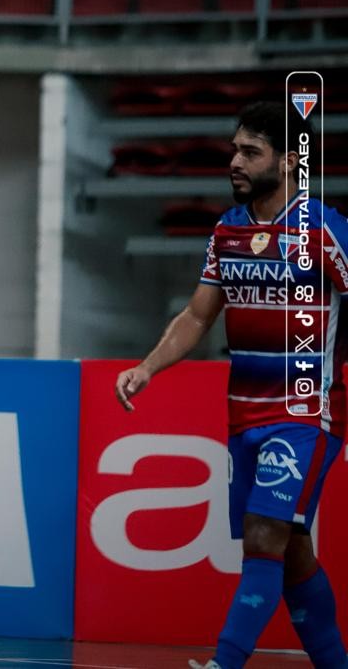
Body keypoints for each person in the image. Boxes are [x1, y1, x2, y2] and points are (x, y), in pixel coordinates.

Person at [116, 101, 348, 669]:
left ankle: (225, 663)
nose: (235, 162)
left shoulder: (324, 229)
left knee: (265, 535)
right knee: (291, 554)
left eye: (250, 151)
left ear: (290, 161)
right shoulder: (227, 230)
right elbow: (198, 316)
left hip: (306, 411)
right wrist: (147, 367)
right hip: (243, 415)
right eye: (234, 150)